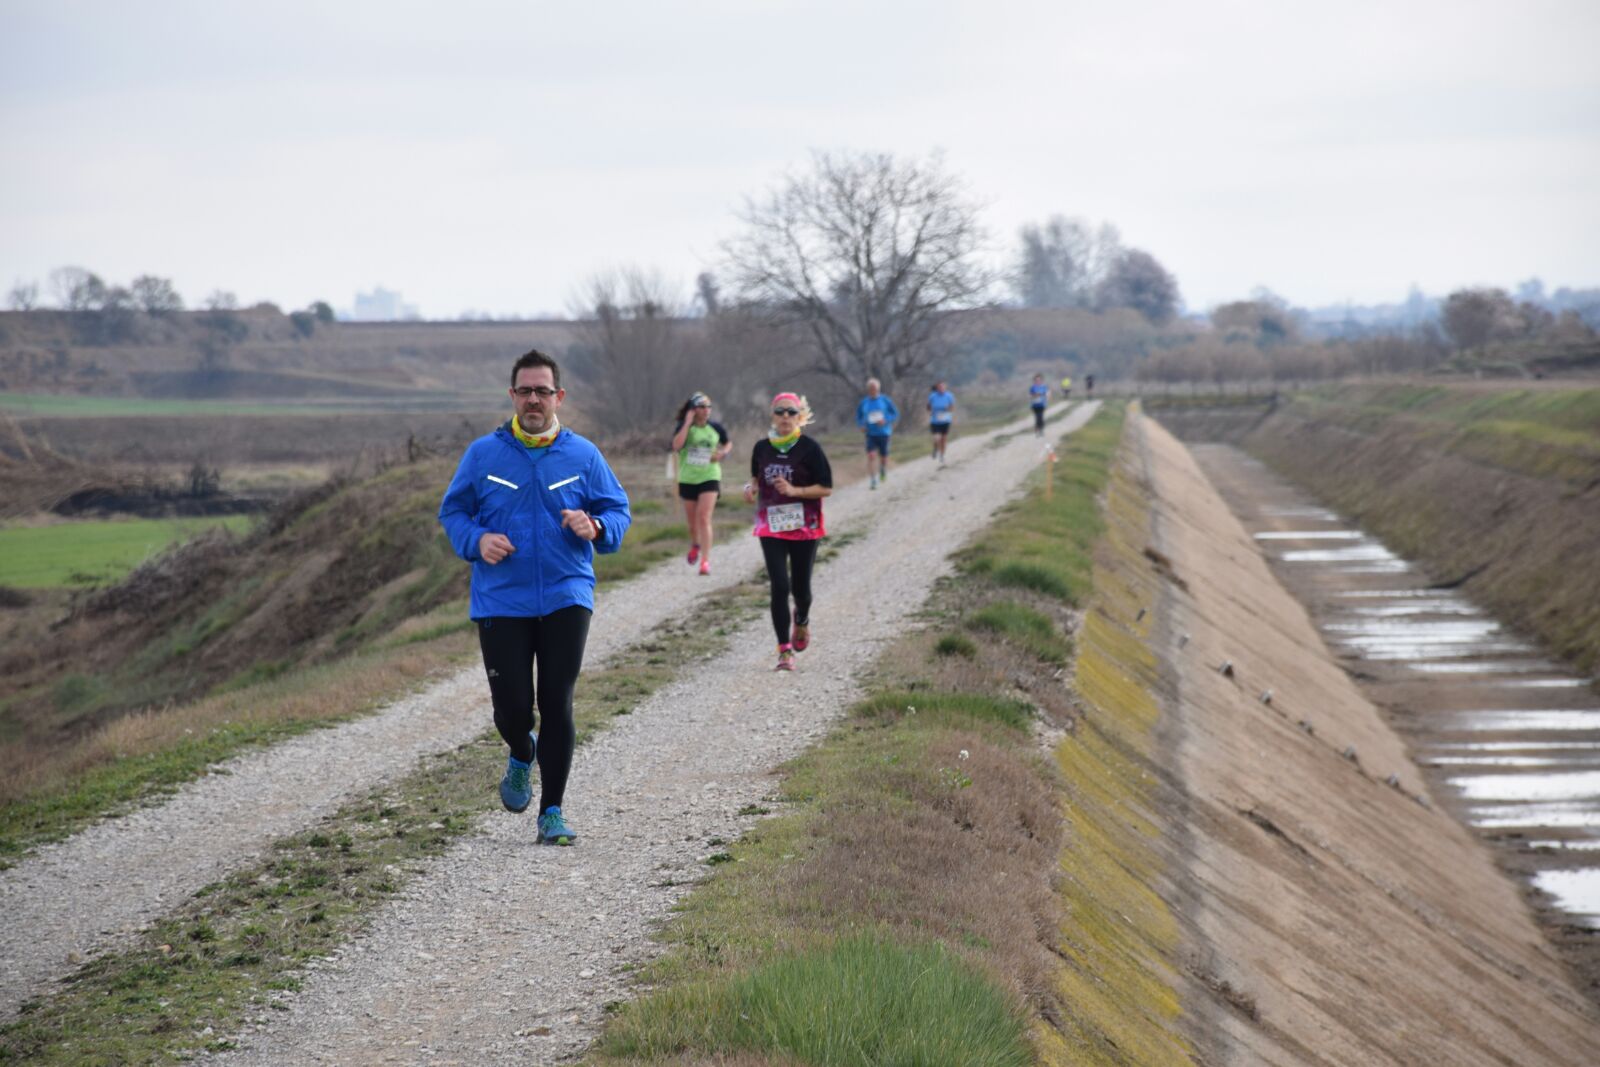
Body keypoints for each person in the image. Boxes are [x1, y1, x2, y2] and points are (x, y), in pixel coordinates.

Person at [438, 348, 632, 846]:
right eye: (524, 390)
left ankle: (552, 812)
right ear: (512, 396)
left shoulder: (583, 455)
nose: (533, 400)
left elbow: (617, 511)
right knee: (513, 709)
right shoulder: (483, 454)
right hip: (501, 598)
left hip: (568, 593)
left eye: (542, 391)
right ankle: (521, 750)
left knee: (557, 700)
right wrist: (477, 540)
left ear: (558, 397)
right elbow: (454, 513)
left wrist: (597, 526)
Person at [743, 392, 832, 672]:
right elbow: (756, 477)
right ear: (772, 415)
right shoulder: (761, 448)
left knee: (801, 590)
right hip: (771, 525)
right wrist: (751, 488)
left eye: (791, 412)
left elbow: (826, 487)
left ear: (800, 417)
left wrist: (796, 491)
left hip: (805, 526)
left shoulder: (810, 448)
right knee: (779, 586)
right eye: (780, 411)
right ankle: (784, 651)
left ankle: (802, 619)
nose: (785, 417)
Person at [670, 391, 731, 575]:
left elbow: (728, 443)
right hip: (688, 478)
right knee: (692, 524)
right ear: (693, 410)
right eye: (701, 407)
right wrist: (687, 423)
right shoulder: (684, 427)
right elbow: (676, 446)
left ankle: (705, 561)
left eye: (708, 407)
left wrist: (723, 453)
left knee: (704, 517)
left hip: (710, 476)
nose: (706, 410)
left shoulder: (715, 428)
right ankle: (695, 543)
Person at [854, 378, 899, 490]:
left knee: (883, 456)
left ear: (878, 389)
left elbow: (895, 414)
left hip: (884, 433)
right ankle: (873, 480)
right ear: (868, 389)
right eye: (870, 388)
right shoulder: (864, 402)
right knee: (871, 456)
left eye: (874, 388)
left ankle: (883, 469)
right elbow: (858, 416)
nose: (872, 390)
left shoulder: (885, 400)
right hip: (870, 434)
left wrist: (885, 420)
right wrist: (861, 426)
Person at [927, 379, 955, 463]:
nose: (941, 388)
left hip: (945, 420)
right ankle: (935, 448)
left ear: (945, 387)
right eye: (939, 387)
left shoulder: (949, 396)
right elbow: (928, 406)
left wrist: (948, 408)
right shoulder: (932, 396)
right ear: (937, 388)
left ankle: (942, 455)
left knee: (943, 438)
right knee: (937, 437)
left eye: (943, 387)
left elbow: (952, 408)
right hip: (935, 420)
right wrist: (930, 411)